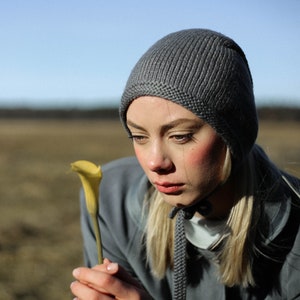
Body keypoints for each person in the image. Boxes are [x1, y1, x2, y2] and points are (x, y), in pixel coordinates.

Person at [70, 29, 300, 299]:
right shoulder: (112, 202)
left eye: (180, 136)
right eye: (138, 136)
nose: (155, 162)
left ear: (234, 134)